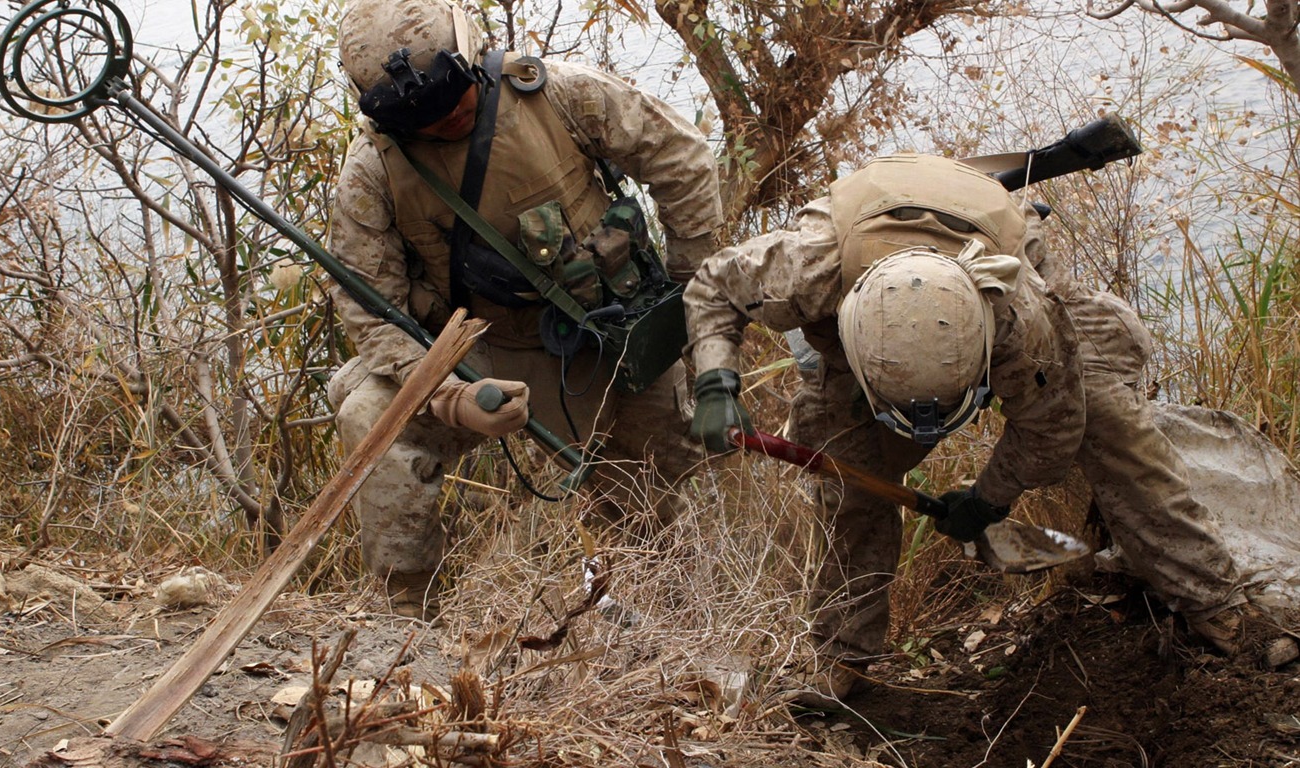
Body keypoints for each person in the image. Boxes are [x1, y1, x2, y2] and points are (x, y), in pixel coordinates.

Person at [684, 153, 1247, 708]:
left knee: (1112, 426)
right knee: (851, 485)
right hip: (861, 305)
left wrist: (988, 500)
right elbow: (713, 287)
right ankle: (843, 655)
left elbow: (1052, 431)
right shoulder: (806, 269)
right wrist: (714, 381)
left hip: (993, 255)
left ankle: (1214, 602)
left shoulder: (1022, 317)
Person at [326, 0, 723, 619]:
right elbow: (367, 305)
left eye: (455, 95)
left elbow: (683, 158)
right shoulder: (372, 170)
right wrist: (447, 392)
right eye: (419, 119)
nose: (446, 119)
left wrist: (688, 293)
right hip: (475, 350)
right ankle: (402, 618)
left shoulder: (557, 95)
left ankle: (652, 623)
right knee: (371, 418)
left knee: (651, 506)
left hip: (606, 335)